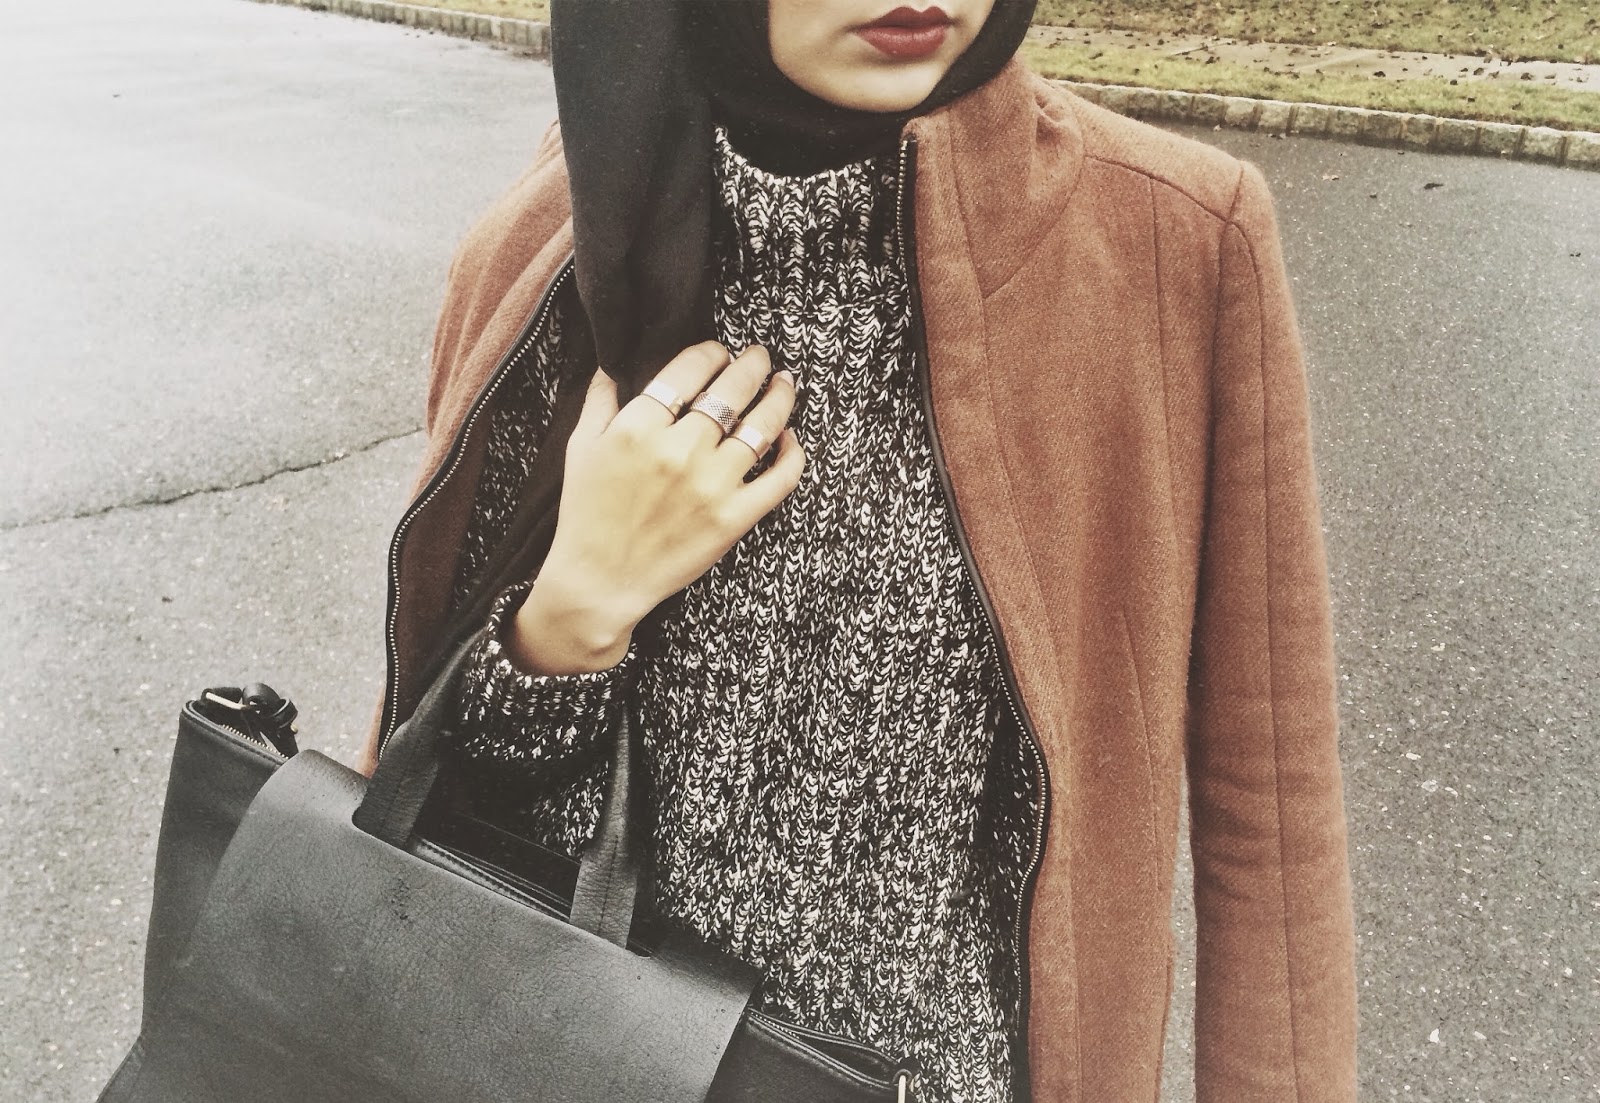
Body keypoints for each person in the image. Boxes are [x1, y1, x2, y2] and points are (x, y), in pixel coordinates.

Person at [359, 1, 1359, 1099]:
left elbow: (1269, 810)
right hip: (566, 1056)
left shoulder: (1173, 240)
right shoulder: (552, 241)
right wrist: (572, 617)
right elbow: (429, 791)